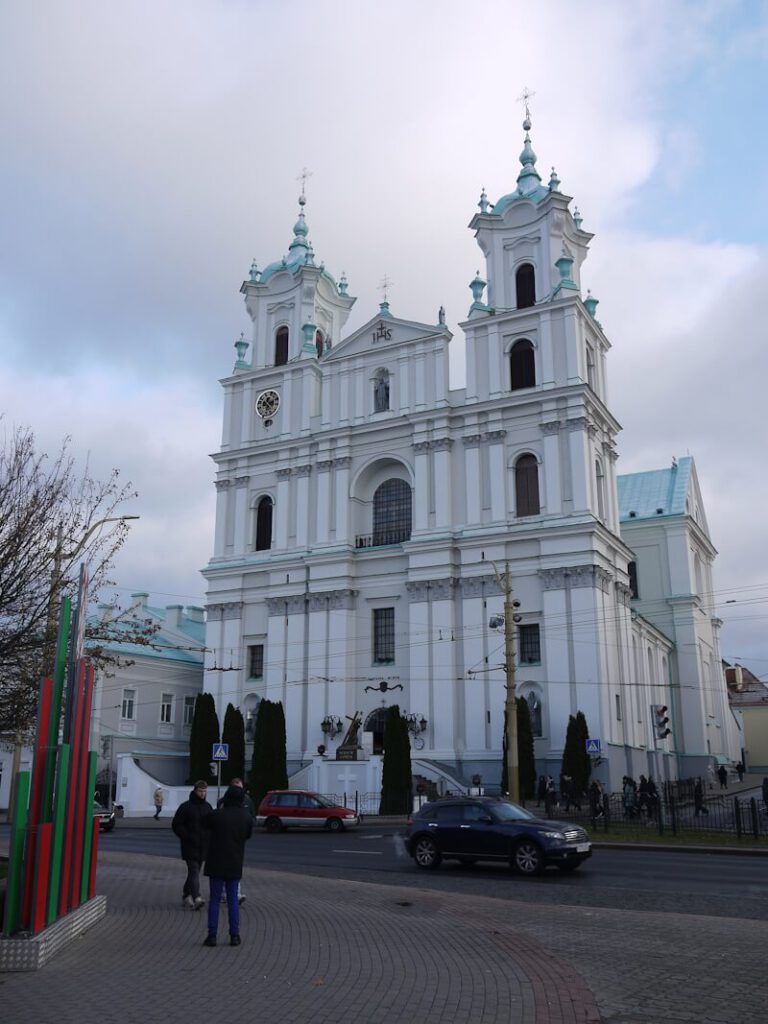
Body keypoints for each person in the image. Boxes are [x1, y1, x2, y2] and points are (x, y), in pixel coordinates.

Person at [202, 784, 253, 947]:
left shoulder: (216, 815)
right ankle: (234, 935)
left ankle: (212, 936)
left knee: (215, 899)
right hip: (235, 861)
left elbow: (206, 827)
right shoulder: (246, 817)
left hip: (216, 860)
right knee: (232, 900)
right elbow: (247, 835)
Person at [172, 780, 212, 909]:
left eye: (205, 791)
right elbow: (176, 824)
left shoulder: (208, 807)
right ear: (195, 791)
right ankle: (197, 897)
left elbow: (211, 826)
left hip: (203, 846)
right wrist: (186, 836)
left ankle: (186, 895)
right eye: (200, 791)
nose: (203, 794)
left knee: (193, 872)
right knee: (194, 871)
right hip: (189, 846)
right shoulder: (186, 807)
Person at [217, 777, 255, 906]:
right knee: (225, 867)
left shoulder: (247, 801)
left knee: (235, 867)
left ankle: (234, 893)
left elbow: (252, 817)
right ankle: (226, 893)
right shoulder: (223, 802)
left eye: (240, 787)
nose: (239, 790)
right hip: (224, 840)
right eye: (236, 787)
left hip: (238, 840)